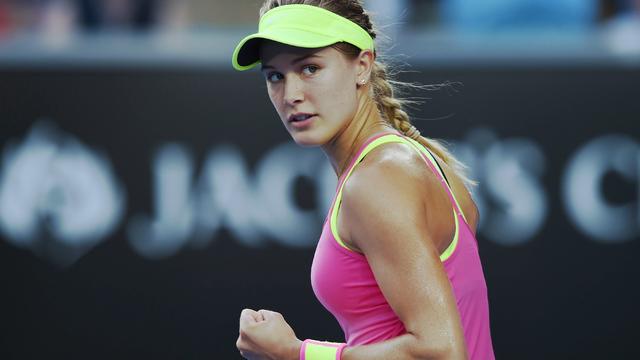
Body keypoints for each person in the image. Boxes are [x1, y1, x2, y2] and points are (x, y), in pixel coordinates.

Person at [232, 1, 495, 359]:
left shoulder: (378, 180)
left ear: (362, 66)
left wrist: (296, 353)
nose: (291, 94)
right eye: (275, 76)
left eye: (309, 68)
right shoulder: (411, 162)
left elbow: (442, 351)